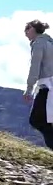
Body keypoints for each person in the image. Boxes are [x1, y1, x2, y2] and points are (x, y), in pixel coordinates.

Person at [23, 19, 53, 150]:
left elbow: (35, 67)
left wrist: (29, 89)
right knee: (48, 121)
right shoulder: (50, 42)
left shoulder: (39, 43)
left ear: (34, 29)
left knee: (36, 120)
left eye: (27, 29)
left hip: (47, 88)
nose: (25, 32)